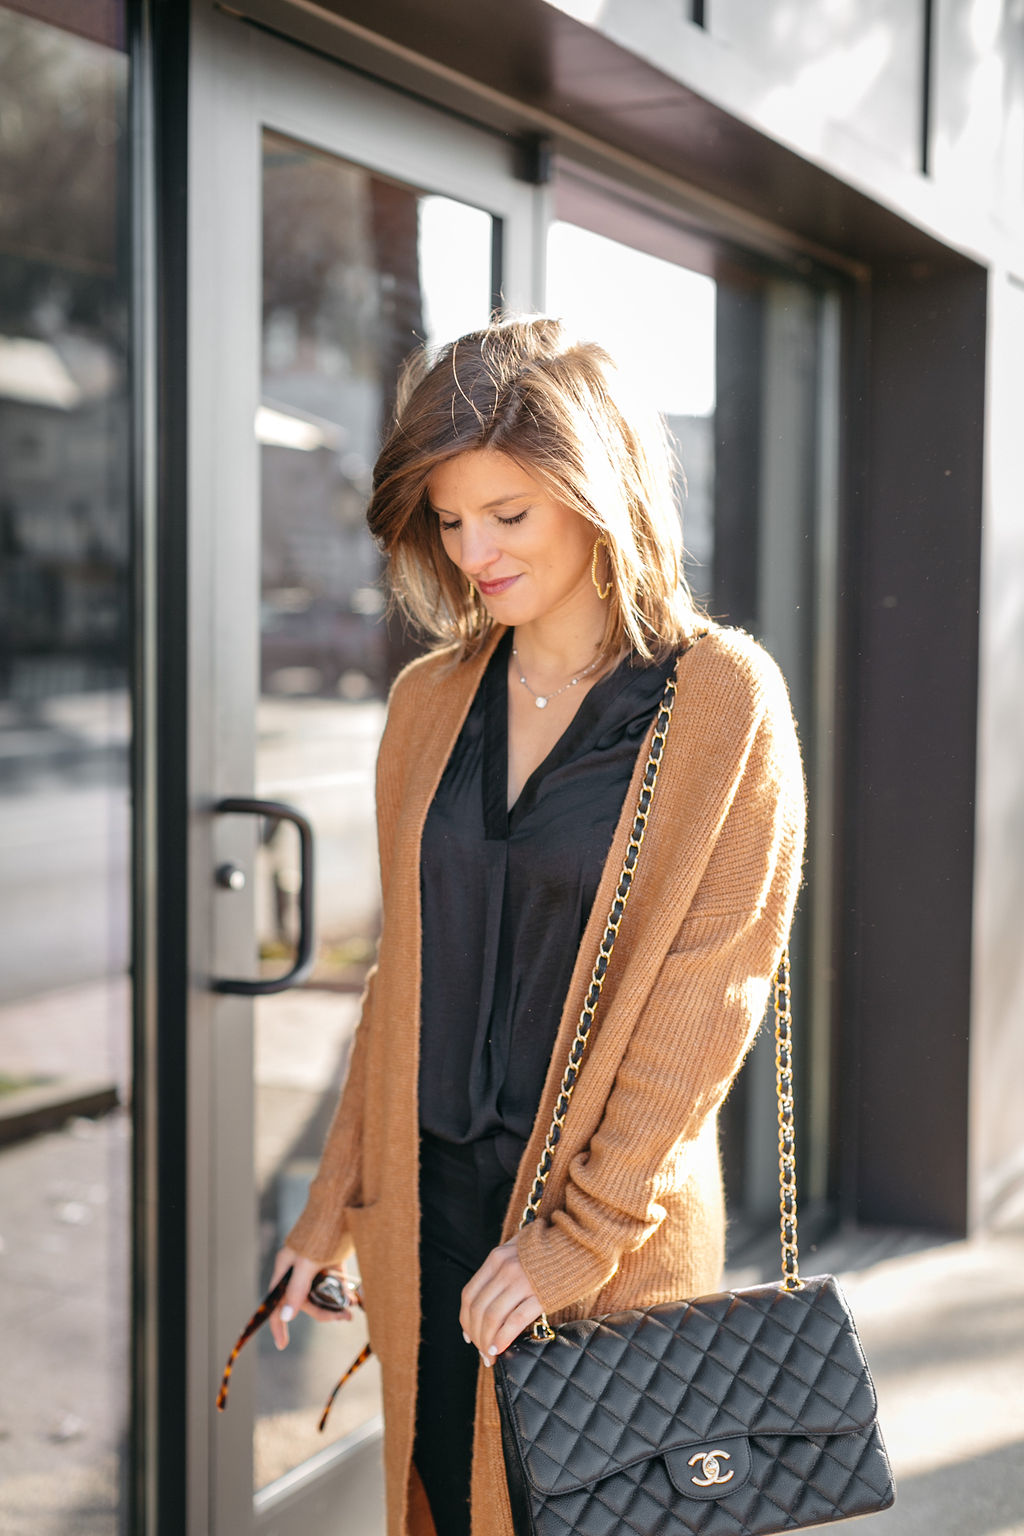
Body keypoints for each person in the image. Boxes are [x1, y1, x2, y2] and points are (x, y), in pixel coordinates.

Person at [267, 316, 806, 1536]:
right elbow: (400, 978)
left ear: (596, 488)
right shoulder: (428, 700)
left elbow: (706, 1003)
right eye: (451, 520)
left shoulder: (718, 701)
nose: (473, 552)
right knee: (448, 1506)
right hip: (429, 1215)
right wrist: (331, 1205)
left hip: (600, 1237)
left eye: (509, 514)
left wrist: (577, 1240)